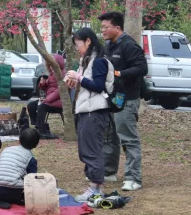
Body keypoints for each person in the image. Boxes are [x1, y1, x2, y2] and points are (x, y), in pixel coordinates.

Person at [99, 11, 148, 192]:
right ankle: (109, 172)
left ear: (117, 28)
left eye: (106, 27)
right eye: (102, 27)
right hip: (111, 98)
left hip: (127, 99)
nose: (102, 30)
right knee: (110, 136)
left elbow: (142, 68)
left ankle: (133, 178)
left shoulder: (129, 45)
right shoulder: (108, 46)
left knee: (128, 139)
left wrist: (119, 74)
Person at [65, 27, 115, 202]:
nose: (77, 48)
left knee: (92, 151)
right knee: (86, 150)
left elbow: (99, 86)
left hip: (95, 112)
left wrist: (79, 78)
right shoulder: (87, 61)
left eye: (78, 44)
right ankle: (95, 187)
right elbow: (89, 85)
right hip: (87, 111)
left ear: (88, 41)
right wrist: (76, 82)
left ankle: (95, 189)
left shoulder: (99, 61)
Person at [0, 128, 40, 209]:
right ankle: (15, 199)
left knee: (3, 188)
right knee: (27, 188)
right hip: (12, 189)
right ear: (36, 145)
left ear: (19, 140)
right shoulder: (30, 159)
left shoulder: (6, 150)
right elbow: (32, 179)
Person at [26, 54, 66, 139]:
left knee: (42, 107)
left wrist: (47, 100)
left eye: (53, 65)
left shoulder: (62, 75)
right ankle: (37, 126)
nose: (51, 67)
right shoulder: (52, 75)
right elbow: (45, 87)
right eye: (49, 65)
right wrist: (42, 83)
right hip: (50, 100)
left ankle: (41, 130)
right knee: (31, 105)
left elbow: (58, 91)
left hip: (58, 102)